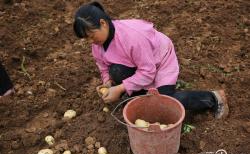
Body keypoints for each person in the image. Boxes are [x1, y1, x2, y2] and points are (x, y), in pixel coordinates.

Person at [73, 1, 229, 119]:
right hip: (141, 64)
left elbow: (148, 71)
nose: (91, 41)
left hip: (160, 61)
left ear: (103, 23)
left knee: (163, 103)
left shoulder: (132, 37)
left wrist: (120, 89)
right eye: (87, 39)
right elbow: (103, 65)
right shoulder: (97, 44)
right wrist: (107, 82)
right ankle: (141, 91)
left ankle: (214, 98)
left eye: (92, 36)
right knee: (116, 71)